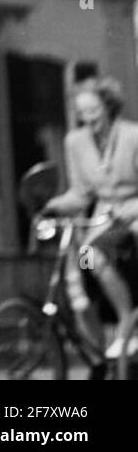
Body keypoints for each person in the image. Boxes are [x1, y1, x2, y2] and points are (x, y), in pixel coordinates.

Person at [43, 77, 138, 361]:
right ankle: (119, 324)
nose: (88, 118)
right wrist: (52, 206)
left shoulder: (133, 135)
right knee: (87, 257)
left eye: (94, 111)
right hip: (104, 218)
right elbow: (80, 194)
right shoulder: (75, 141)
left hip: (134, 211)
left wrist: (133, 208)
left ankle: (126, 324)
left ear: (108, 106)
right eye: (82, 112)